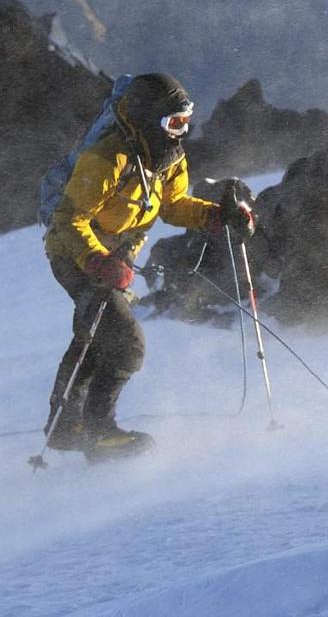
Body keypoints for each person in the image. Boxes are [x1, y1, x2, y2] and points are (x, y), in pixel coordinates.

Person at [42, 73, 257, 462]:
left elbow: (173, 206)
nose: (182, 131)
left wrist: (219, 216)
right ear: (147, 117)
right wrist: (97, 261)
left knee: (97, 334)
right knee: (126, 345)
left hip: (114, 260)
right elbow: (68, 219)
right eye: (175, 122)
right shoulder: (107, 158)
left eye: (186, 122)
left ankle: (66, 427)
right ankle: (98, 433)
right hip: (74, 255)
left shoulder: (167, 158)